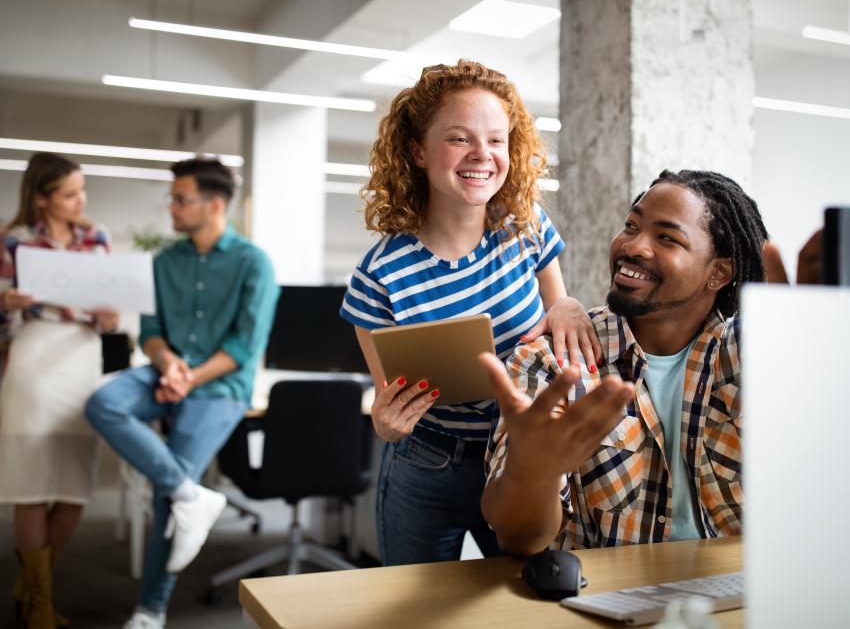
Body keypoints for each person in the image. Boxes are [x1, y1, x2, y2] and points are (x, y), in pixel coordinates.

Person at [340, 60, 600, 565]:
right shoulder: (379, 275)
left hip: (517, 458)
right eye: (460, 138)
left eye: (497, 140)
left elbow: (556, 311)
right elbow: (387, 405)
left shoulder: (526, 228)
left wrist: (568, 305)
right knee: (412, 611)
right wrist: (388, 423)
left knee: (527, 602)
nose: (483, 154)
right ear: (417, 152)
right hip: (426, 464)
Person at [481, 169, 769, 554]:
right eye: (631, 226)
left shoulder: (757, 356)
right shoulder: (552, 363)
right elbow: (517, 538)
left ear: (718, 272)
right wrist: (533, 471)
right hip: (605, 598)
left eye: (667, 237)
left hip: (739, 594)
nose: (634, 246)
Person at [84, 158, 278, 629]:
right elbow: (150, 333)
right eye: (171, 197)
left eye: (180, 198)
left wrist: (189, 377)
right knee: (104, 403)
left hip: (220, 385)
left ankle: (151, 609)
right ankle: (190, 493)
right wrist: (169, 363)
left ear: (213, 205)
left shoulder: (253, 262)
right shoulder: (165, 262)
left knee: (166, 492)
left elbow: (243, 346)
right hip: (165, 371)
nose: (171, 206)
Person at [0, 152, 119, 629]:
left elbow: (110, 305)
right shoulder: (15, 241)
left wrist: (111, 316)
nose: (80, 201)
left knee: (73, 487)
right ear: (42, 198)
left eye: (82, 190)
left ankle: (32, 582)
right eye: (69, 193)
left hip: (81, 358)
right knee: (32, 484)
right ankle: (41, 602)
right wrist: (5, 300)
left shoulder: (98, 239)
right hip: (33, 355)